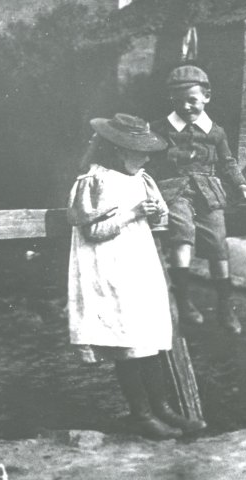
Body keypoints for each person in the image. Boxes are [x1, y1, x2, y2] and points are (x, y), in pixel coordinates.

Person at [67, 113, 206, 439]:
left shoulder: (141, 179)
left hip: (139, 263)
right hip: (112, 268)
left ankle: (163, 409)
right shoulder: (94, 180)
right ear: (118, 150)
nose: (145, 157)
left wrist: (158, 213)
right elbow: (94, 230)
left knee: (150, 337)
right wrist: (133, 214)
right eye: (139, 151)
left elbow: (158, 223)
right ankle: (142, 414)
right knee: (128, 341)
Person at [147, 65, 246, 335]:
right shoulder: (161, 128)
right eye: (178, 101)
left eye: (192, 100)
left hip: (208, 190)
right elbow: (148, 161)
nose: (186, 107)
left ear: (206, 96)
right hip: (175, 189)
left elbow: (228, 162)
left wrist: (242, 184)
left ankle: (224, 304)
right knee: (182, 236)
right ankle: (184, 299)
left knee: (218, 242)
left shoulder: (216, 132)